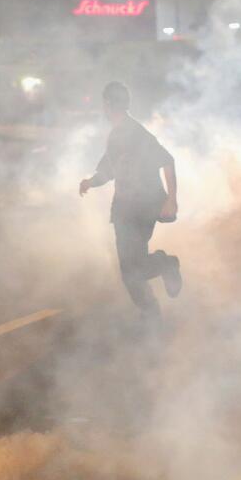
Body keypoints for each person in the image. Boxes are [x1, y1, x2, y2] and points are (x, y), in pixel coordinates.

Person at [79, 81, 182, 317]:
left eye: (104, 104)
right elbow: (109, 171)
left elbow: (167, 160)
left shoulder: (137, 133)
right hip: (125, 209)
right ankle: (152, 312)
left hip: (142, 207)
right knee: (129, 272)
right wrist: (90, 182)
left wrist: (172, 200)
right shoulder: (116, 135)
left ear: (107, 104)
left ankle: (166, 265)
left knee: (132, 270)